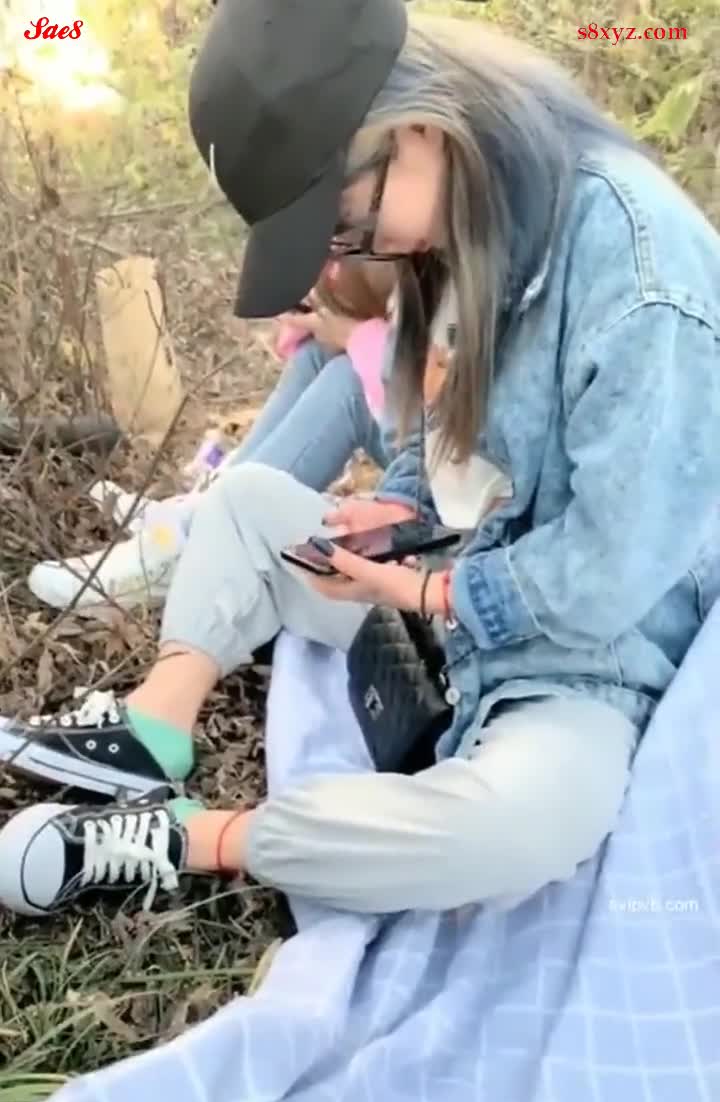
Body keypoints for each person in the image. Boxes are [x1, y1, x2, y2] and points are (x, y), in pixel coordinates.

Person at [1, 0, 720, 918]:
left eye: (344, 223)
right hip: (453, 588)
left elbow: (613, 570)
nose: (355, 253)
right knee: (249, 499)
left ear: (415, 129)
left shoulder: (642, 278)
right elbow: (439, 424)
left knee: (527, 826)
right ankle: (154, 728)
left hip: (580, 650)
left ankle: (189, 837)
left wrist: (430, 592)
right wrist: (402, 512)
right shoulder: (462, 220)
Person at [27, 258, 397, 614]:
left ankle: (197, 544)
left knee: (348, 382)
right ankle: (203, 509)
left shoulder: (432, 234)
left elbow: (429, 371)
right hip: (426, 435)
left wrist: (358, 336)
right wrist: (321, 314)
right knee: (318, 355)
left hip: (434, 465)